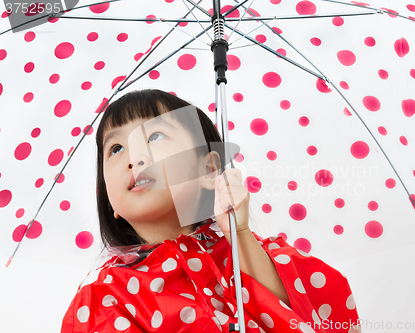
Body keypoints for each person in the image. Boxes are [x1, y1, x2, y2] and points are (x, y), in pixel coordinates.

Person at [61, 89, 361, 332]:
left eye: (154, 137)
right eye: (115, 148)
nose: (134, 158)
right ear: (109, 200)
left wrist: (241, 237)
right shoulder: (105, 297)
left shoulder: (257, 253)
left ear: (208, 169)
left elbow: (322, 318)